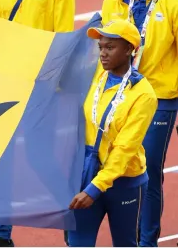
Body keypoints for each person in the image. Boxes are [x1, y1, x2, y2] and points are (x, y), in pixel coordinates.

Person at [0, 0, 76, 246]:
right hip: (5, 84)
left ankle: (74, 219)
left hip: (40, 86)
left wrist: (49, 86)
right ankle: (3, 235)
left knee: (40, 158)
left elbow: (64, 37)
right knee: (0, 161)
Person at [98, 0, 178, 246]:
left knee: (150, 172)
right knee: (120, 168)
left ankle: (147, 242)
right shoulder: (113, 0)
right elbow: (104, 48)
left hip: (159, 98)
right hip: (119, 97)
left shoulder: (172, 2)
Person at [67, 19, 156, 247]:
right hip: (87, 174)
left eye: (110, 47)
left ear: (129, 49)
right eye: (101, 47)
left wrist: (95, 188)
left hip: (124, 182)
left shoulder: (143, 95)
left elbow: (125, 148)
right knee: (78, 244)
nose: (103, 54)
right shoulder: (97, 74)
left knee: (125, 244)